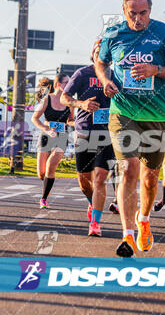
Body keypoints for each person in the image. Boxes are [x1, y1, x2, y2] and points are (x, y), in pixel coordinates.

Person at [95, 0, 165, 257]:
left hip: (156, 116)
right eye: (133, 13)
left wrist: (155, 69)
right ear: (124, 11)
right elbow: (100, 63)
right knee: (129, 168)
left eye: (143, 13)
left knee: (150, 178)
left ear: (151, 10)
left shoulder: (163, 33)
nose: (138, 19)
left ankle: (144, 220)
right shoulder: (113, 35)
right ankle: (128, 237)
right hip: (123, 113)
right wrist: (105, 81)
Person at [61, 41, 117, 236]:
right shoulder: (82, 74)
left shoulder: (117, 75)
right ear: (92, 53)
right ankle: (93, 204)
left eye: (106, 51)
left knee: (101, 178)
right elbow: (64, 97)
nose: (101, 54)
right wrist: (81, 104)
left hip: (108, 134)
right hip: (85, 132)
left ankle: (95, 223)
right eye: (98, 50)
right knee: (85, 183)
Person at [31, 74, 74, 209]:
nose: (70, 84)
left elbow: (70, 119)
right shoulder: (47, 99)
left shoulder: (69, 101)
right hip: (46, 136)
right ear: (59, 84)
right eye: (67, 82)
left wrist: (77, 123)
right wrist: (47, 129)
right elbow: (35, 118)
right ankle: (46, 185)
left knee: (51, 166)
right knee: (42, 173)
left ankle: (43, 199)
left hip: (61, 137)